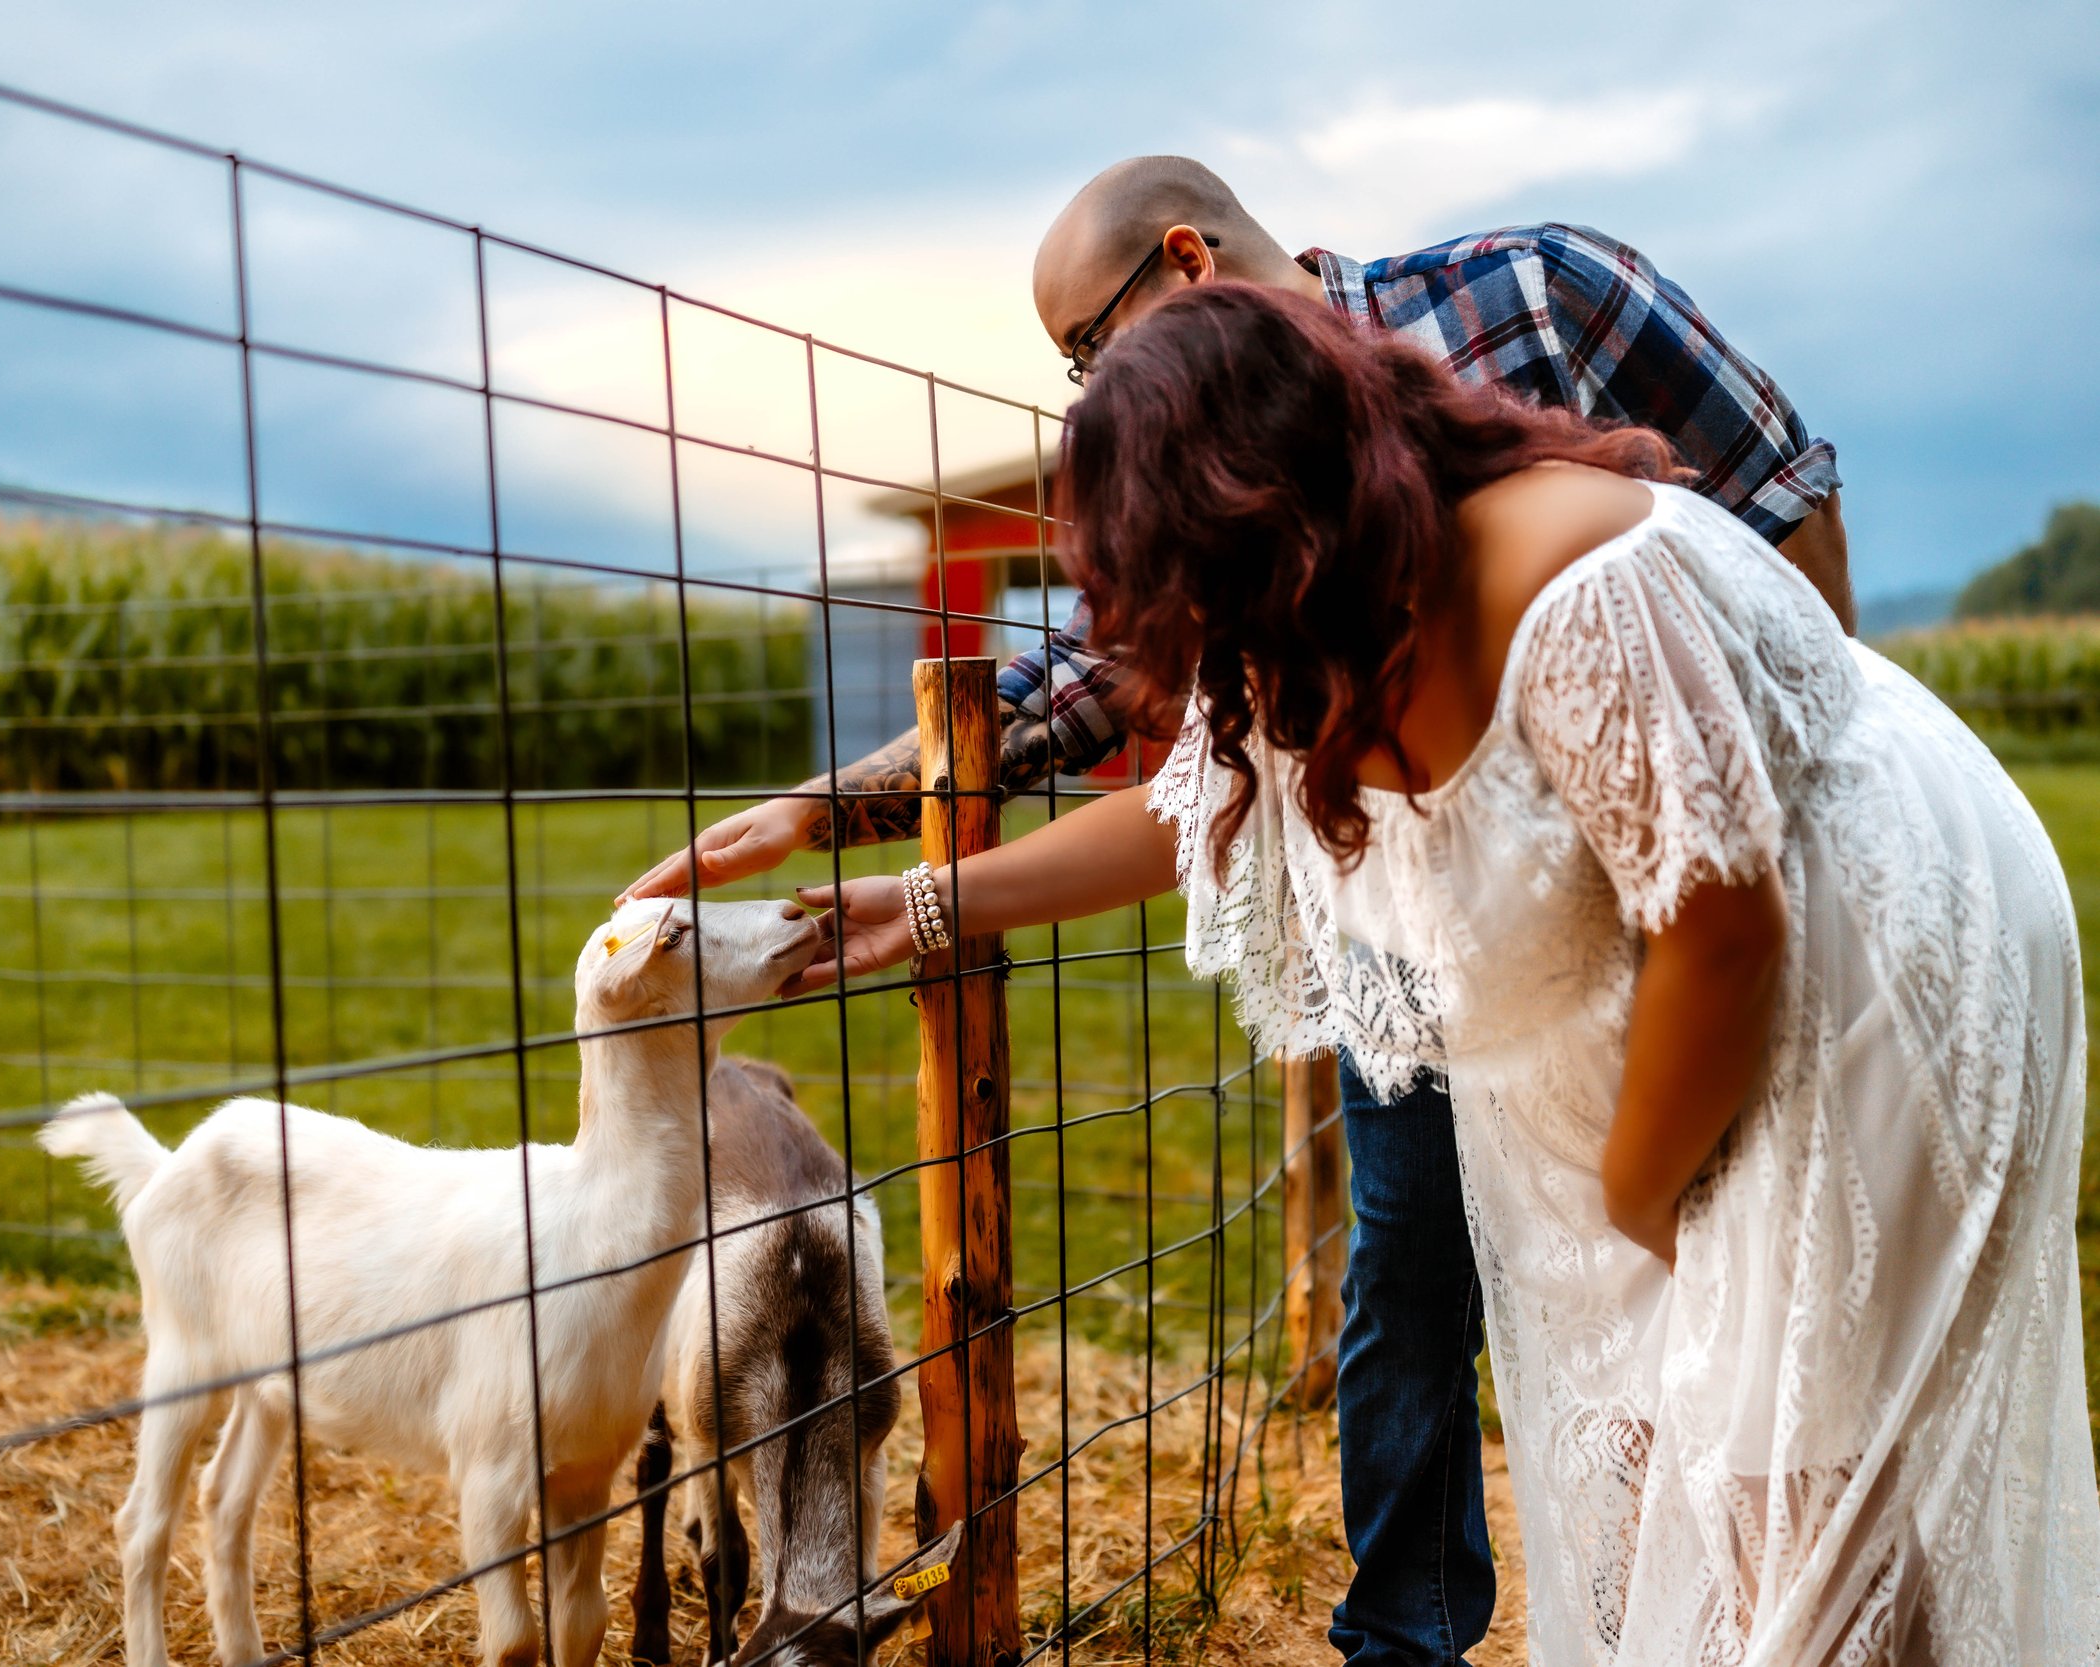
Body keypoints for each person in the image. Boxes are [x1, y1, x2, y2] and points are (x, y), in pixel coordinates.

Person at [625, 157, 1855, 1664]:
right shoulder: (1220, 460)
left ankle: (1784, 1589)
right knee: (1409, 1257)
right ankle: (1409, 1636)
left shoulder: (1535, 298)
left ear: (1188, 263)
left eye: (1087, 349)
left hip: (1665, 873)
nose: (1086, 389)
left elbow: (1781, 494)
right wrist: (849, 820)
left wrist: (1801, 776)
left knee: (1710, 1264)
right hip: (1424, 914)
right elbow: (1142, 728)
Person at [793, 281, 2100, 1664]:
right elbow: (1198, 804)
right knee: (1685, 1476)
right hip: (1687, 1004)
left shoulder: (1575, 585)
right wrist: (927, 907)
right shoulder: (1325, 626)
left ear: (1258, 514)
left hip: (1858, 974)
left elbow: (1725, 924)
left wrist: (1637, 1187)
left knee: (1799, 1496)